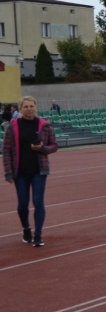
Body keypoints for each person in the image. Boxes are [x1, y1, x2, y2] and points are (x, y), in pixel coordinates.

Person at [3, 96, 60, 247]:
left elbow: (54, 145)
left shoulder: (45, 125)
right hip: (20, 172)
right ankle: (26, 229)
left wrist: (42, 148)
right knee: (23, 204)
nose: (29, 109)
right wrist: (8, 172)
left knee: (38, 201)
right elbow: (6, 150)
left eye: (31, 106)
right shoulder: (12, 126)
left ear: (36, 107)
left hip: (39, 170)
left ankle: (38, 234)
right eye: (26, 107)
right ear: (20, 109)